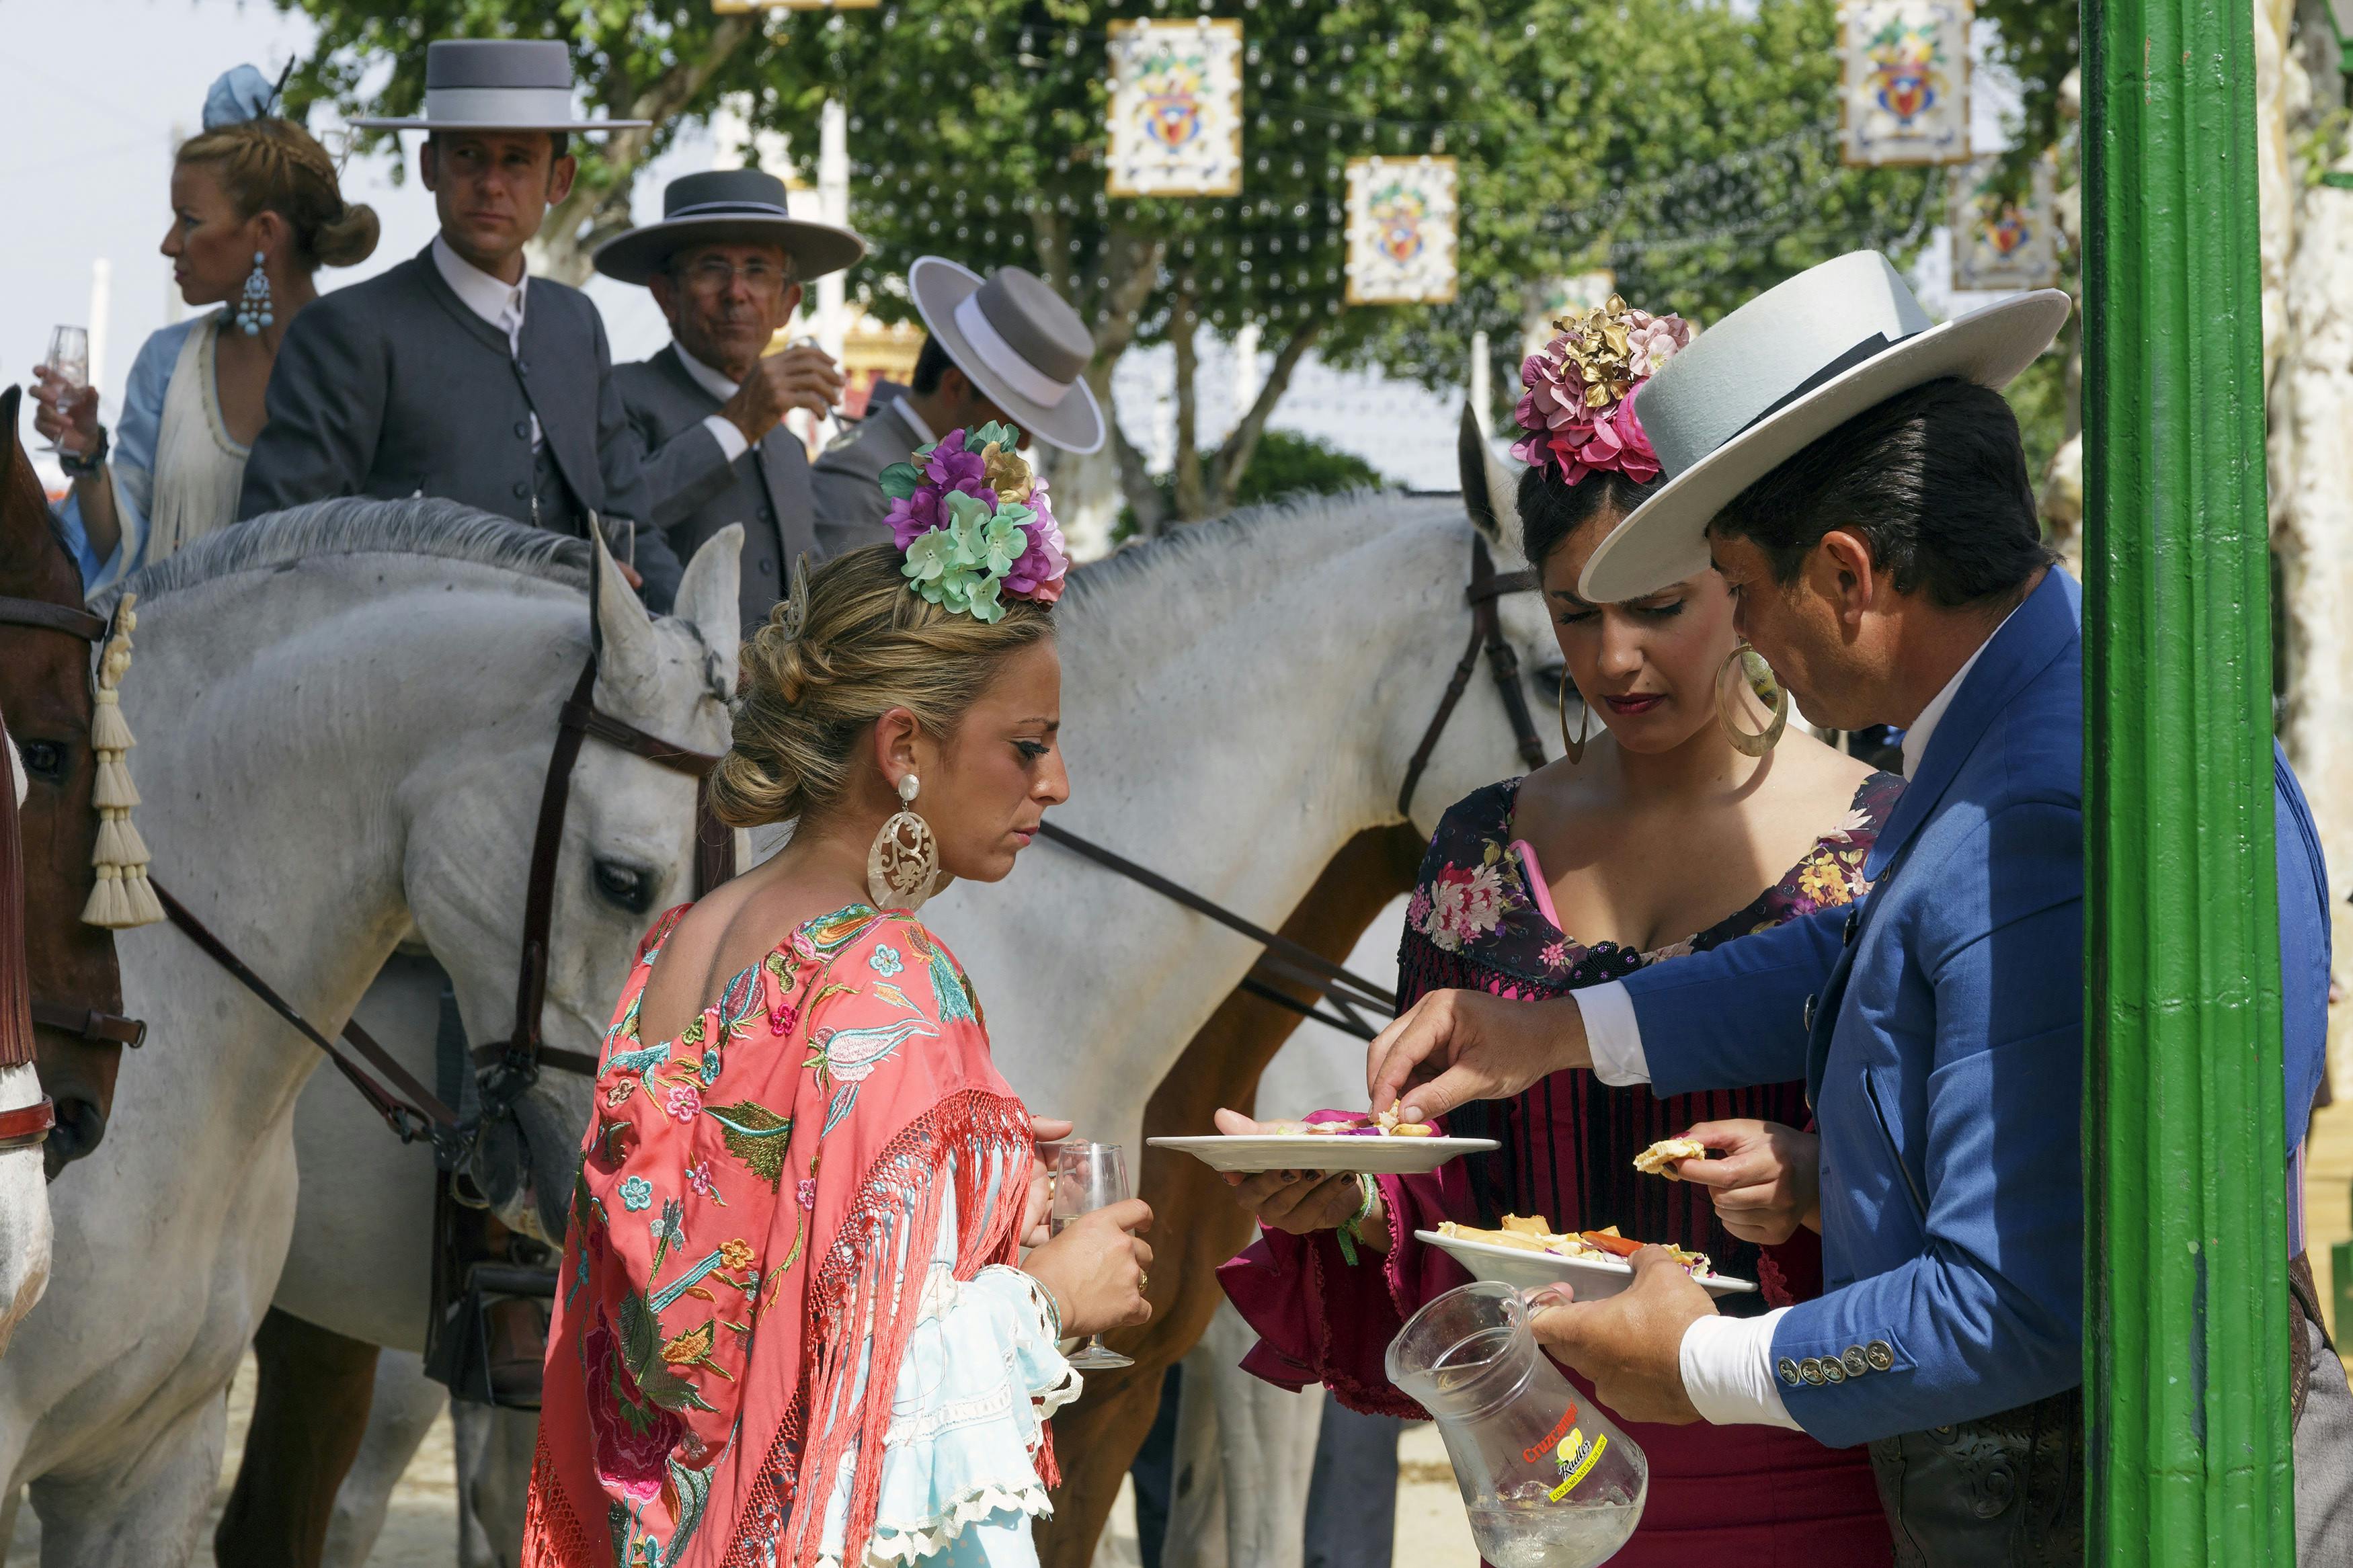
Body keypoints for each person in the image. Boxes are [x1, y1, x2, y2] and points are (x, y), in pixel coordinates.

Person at [1363, 251, 2350, 1561]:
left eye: (1741, 590)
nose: (1749, 643)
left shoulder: (2034, 809)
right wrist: (1558, 1030)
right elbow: (1881, 953)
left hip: (2119, 1497)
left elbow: (2013, 1297)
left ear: (1845, 574)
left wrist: (1700, 1358)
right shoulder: (2049, 708)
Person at [1214, 298, 1895, 1563]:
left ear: (1742, 578)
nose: (1617, 656)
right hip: (1547, 1478)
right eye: (1577, 614)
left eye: (1658, 604)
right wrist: (1343, 1191)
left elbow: (1957, 1185)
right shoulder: (1477, 845)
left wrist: (1812, 1177)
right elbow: (1447, 1179)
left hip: (1809, 1459)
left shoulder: (1882, 837)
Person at [524, 422, 1099, 1567]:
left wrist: (981, 1192)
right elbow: (884, 1407)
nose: (1057, 783)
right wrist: (1052, 1300)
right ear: (904, 746)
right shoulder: (890, 978)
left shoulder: (681, 943)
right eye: (1028, 745)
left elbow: (722, 1295)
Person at [236, 39, 682, 609]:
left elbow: (629, 523)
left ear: (560, 180)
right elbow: (276, 546)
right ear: (430, 165)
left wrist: (703, 645)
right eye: (469, 155)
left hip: (576, 687)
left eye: (518, 159)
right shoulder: (349, 329)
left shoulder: (577, 325)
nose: (491, 183)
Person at [32, 65, 378, 592]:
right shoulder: (167, 361)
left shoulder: (366, 360)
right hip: (167, 663)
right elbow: (119, 549)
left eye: (190, 220)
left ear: (264, 233)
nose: (169, 243)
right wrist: (86, 456)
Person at [594, 167, 869, 630]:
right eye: (712, 268)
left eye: (758, 271)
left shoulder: (787, 448)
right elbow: (618, 522)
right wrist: (738, 423)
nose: (736, 293)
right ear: (666, 296)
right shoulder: (619, 395)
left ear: (787, 303)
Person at [811, 259, 1105, 541]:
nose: (1025, 442)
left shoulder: (965, 481)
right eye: (1015, 420)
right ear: (954, 387)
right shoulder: (859, 478)